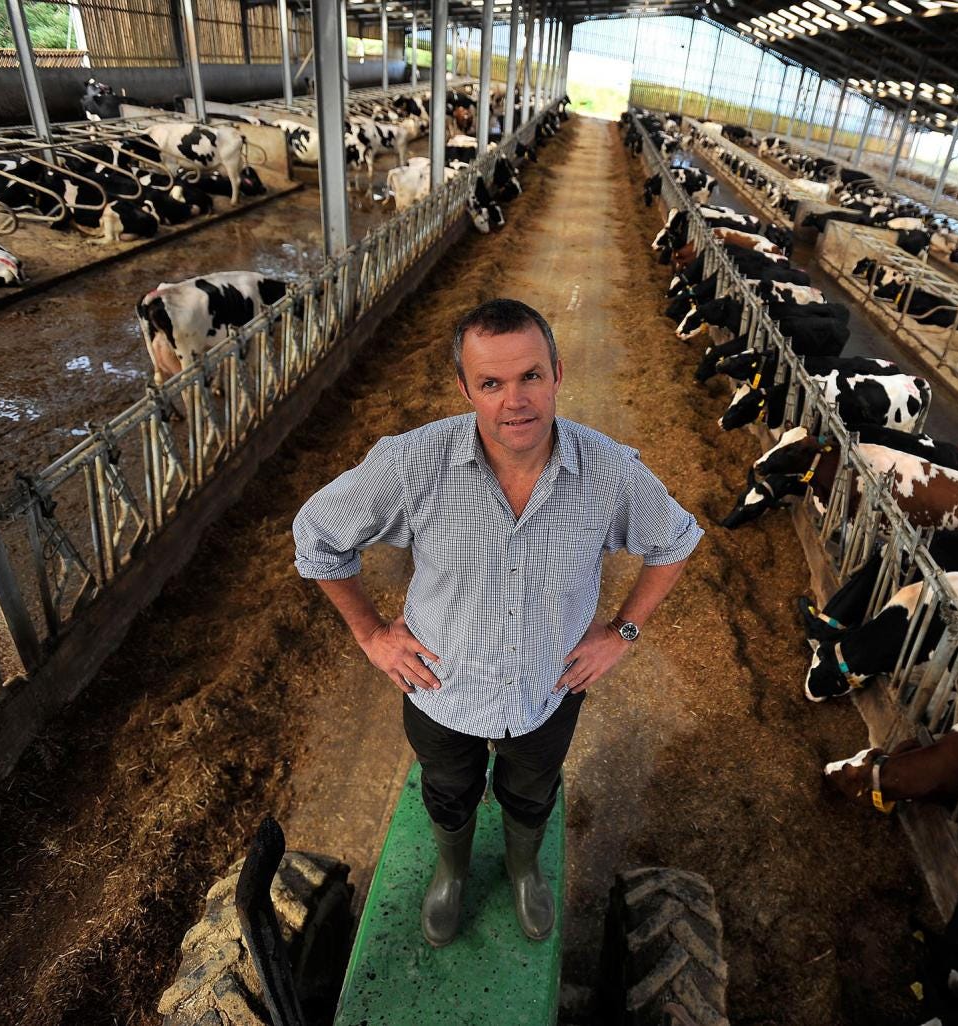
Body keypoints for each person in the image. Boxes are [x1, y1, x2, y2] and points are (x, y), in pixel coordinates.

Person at [292, 298, 703, 947]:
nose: (516, 401)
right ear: (465, 389)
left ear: (557, 374)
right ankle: (452, 872)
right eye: (492, 383)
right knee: (448, 790)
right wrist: (371, 633)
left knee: (530, 792)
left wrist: (621, 633)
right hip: (440, 689)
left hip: (548, 691)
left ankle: (521, 869)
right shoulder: (410, 465)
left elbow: (676, 541)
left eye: (530, 376)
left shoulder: (609, 472)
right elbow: (317, 538)